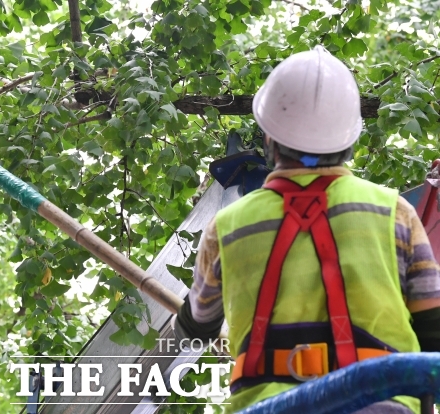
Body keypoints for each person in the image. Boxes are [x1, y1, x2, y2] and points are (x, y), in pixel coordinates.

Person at [174, 45, 440, 413]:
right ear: (349, 141)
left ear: (269, 138)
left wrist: (186, 325)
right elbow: (434, 330)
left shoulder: (227, 227)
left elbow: (197, 327)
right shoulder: (396, 213)